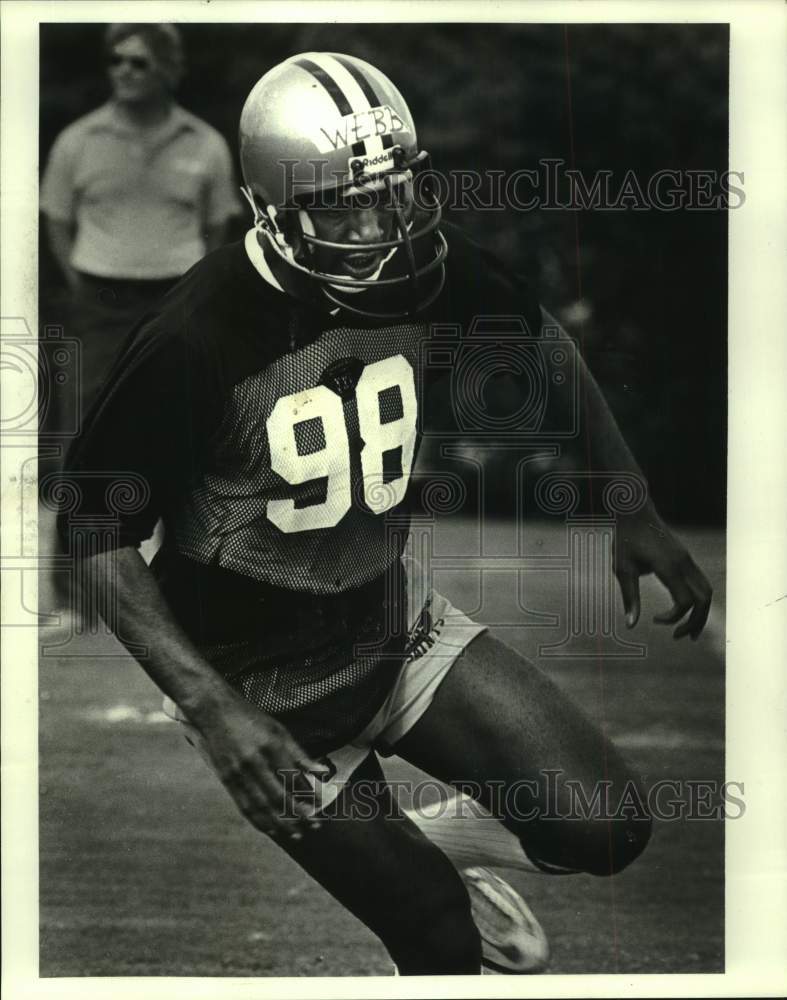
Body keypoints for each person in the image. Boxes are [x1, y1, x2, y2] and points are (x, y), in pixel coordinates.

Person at [57, 52, 713, 975]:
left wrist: (628, 501)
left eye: (393, 192)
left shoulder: (429, 271)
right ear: (271, 210)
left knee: (609, 827)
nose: (380, 226)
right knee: (439, 936)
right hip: (259, 685)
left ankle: (424, 843)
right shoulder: (194, 338)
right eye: (343, 205)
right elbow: (91, 531)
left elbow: (535, 334)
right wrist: (209, 708)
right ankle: (415, 875)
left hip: (392, 626)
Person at [40, 23, 240, 415]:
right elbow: (57, 220)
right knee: (86, 410)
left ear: (167, 69)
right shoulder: (77, 140)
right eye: (115, 60)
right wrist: (80, 282)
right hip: (99, 302)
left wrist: (192, 287)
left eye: (138, 62)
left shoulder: (206, 143)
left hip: (177, 301)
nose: (123, 71)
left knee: (175, 411)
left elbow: (217, 225)